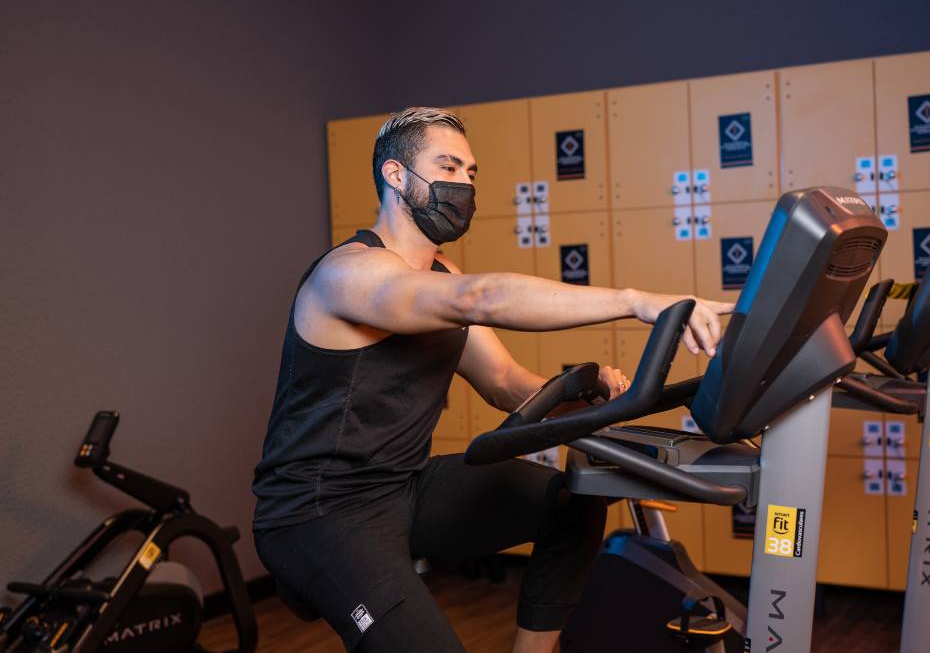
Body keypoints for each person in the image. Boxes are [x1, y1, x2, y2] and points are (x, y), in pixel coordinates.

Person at [251, 107, 733, 652]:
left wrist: (582, 398)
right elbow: (480, 298)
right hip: (318, 511)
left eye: (471, 173)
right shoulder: (348, 274)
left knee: (571, 497)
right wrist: (637, 302)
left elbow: (503, 379)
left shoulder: (442, 274)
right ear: (395, 175)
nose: (464, 185)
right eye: (448, 167)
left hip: (402, 486)